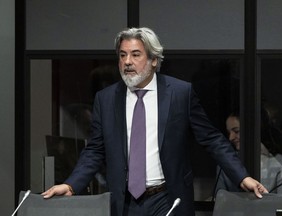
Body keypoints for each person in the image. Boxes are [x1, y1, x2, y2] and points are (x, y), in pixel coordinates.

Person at [42, 27, 268, 216]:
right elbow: (95, 150)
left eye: (135, 54)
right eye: (122, 55)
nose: (127, 62)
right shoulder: (107, 98)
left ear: (153, 60)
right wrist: (71, 184)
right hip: (124, 202)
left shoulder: (180, 94)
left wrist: (242, 176)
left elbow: (211, 139)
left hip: (167, 198)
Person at [215, 111, 282, 196]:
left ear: (251, 129)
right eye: (229, 132)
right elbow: (220, 200)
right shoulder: (225, 163)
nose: (231, 138)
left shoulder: (279, 162)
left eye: (236, 131)